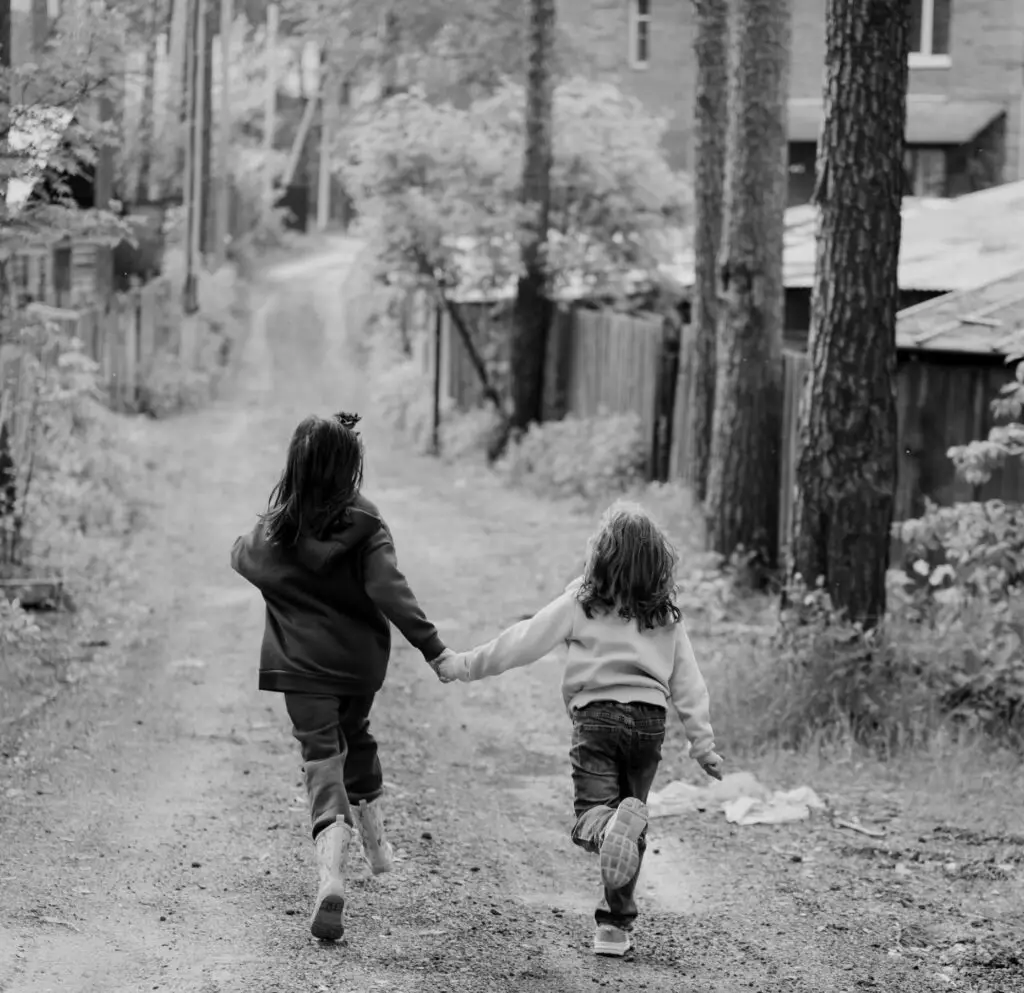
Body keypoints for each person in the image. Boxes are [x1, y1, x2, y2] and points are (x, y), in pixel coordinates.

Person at [436, 499, 723, 958]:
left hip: (597, 719)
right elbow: (688, 679)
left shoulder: (581, 600)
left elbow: (523, 641)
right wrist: (702, 743)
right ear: (657, 564)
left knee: (594, 816)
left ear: (601, 555)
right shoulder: (665, 615)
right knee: (634, 825)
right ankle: (614, 928)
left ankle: (607, 827)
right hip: (649, 724)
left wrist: (464, 665)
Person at [231, 411, 452, 941]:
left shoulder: (278, 526)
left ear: (295, 467)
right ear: (351, 466)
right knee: (356, 736)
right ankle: (376, 846)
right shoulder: (367, 520)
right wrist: (433, 648)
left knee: (321, 756)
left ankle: (331, 872)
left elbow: (240, 556)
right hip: (357, 667)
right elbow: (389, 589)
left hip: (300, 668)